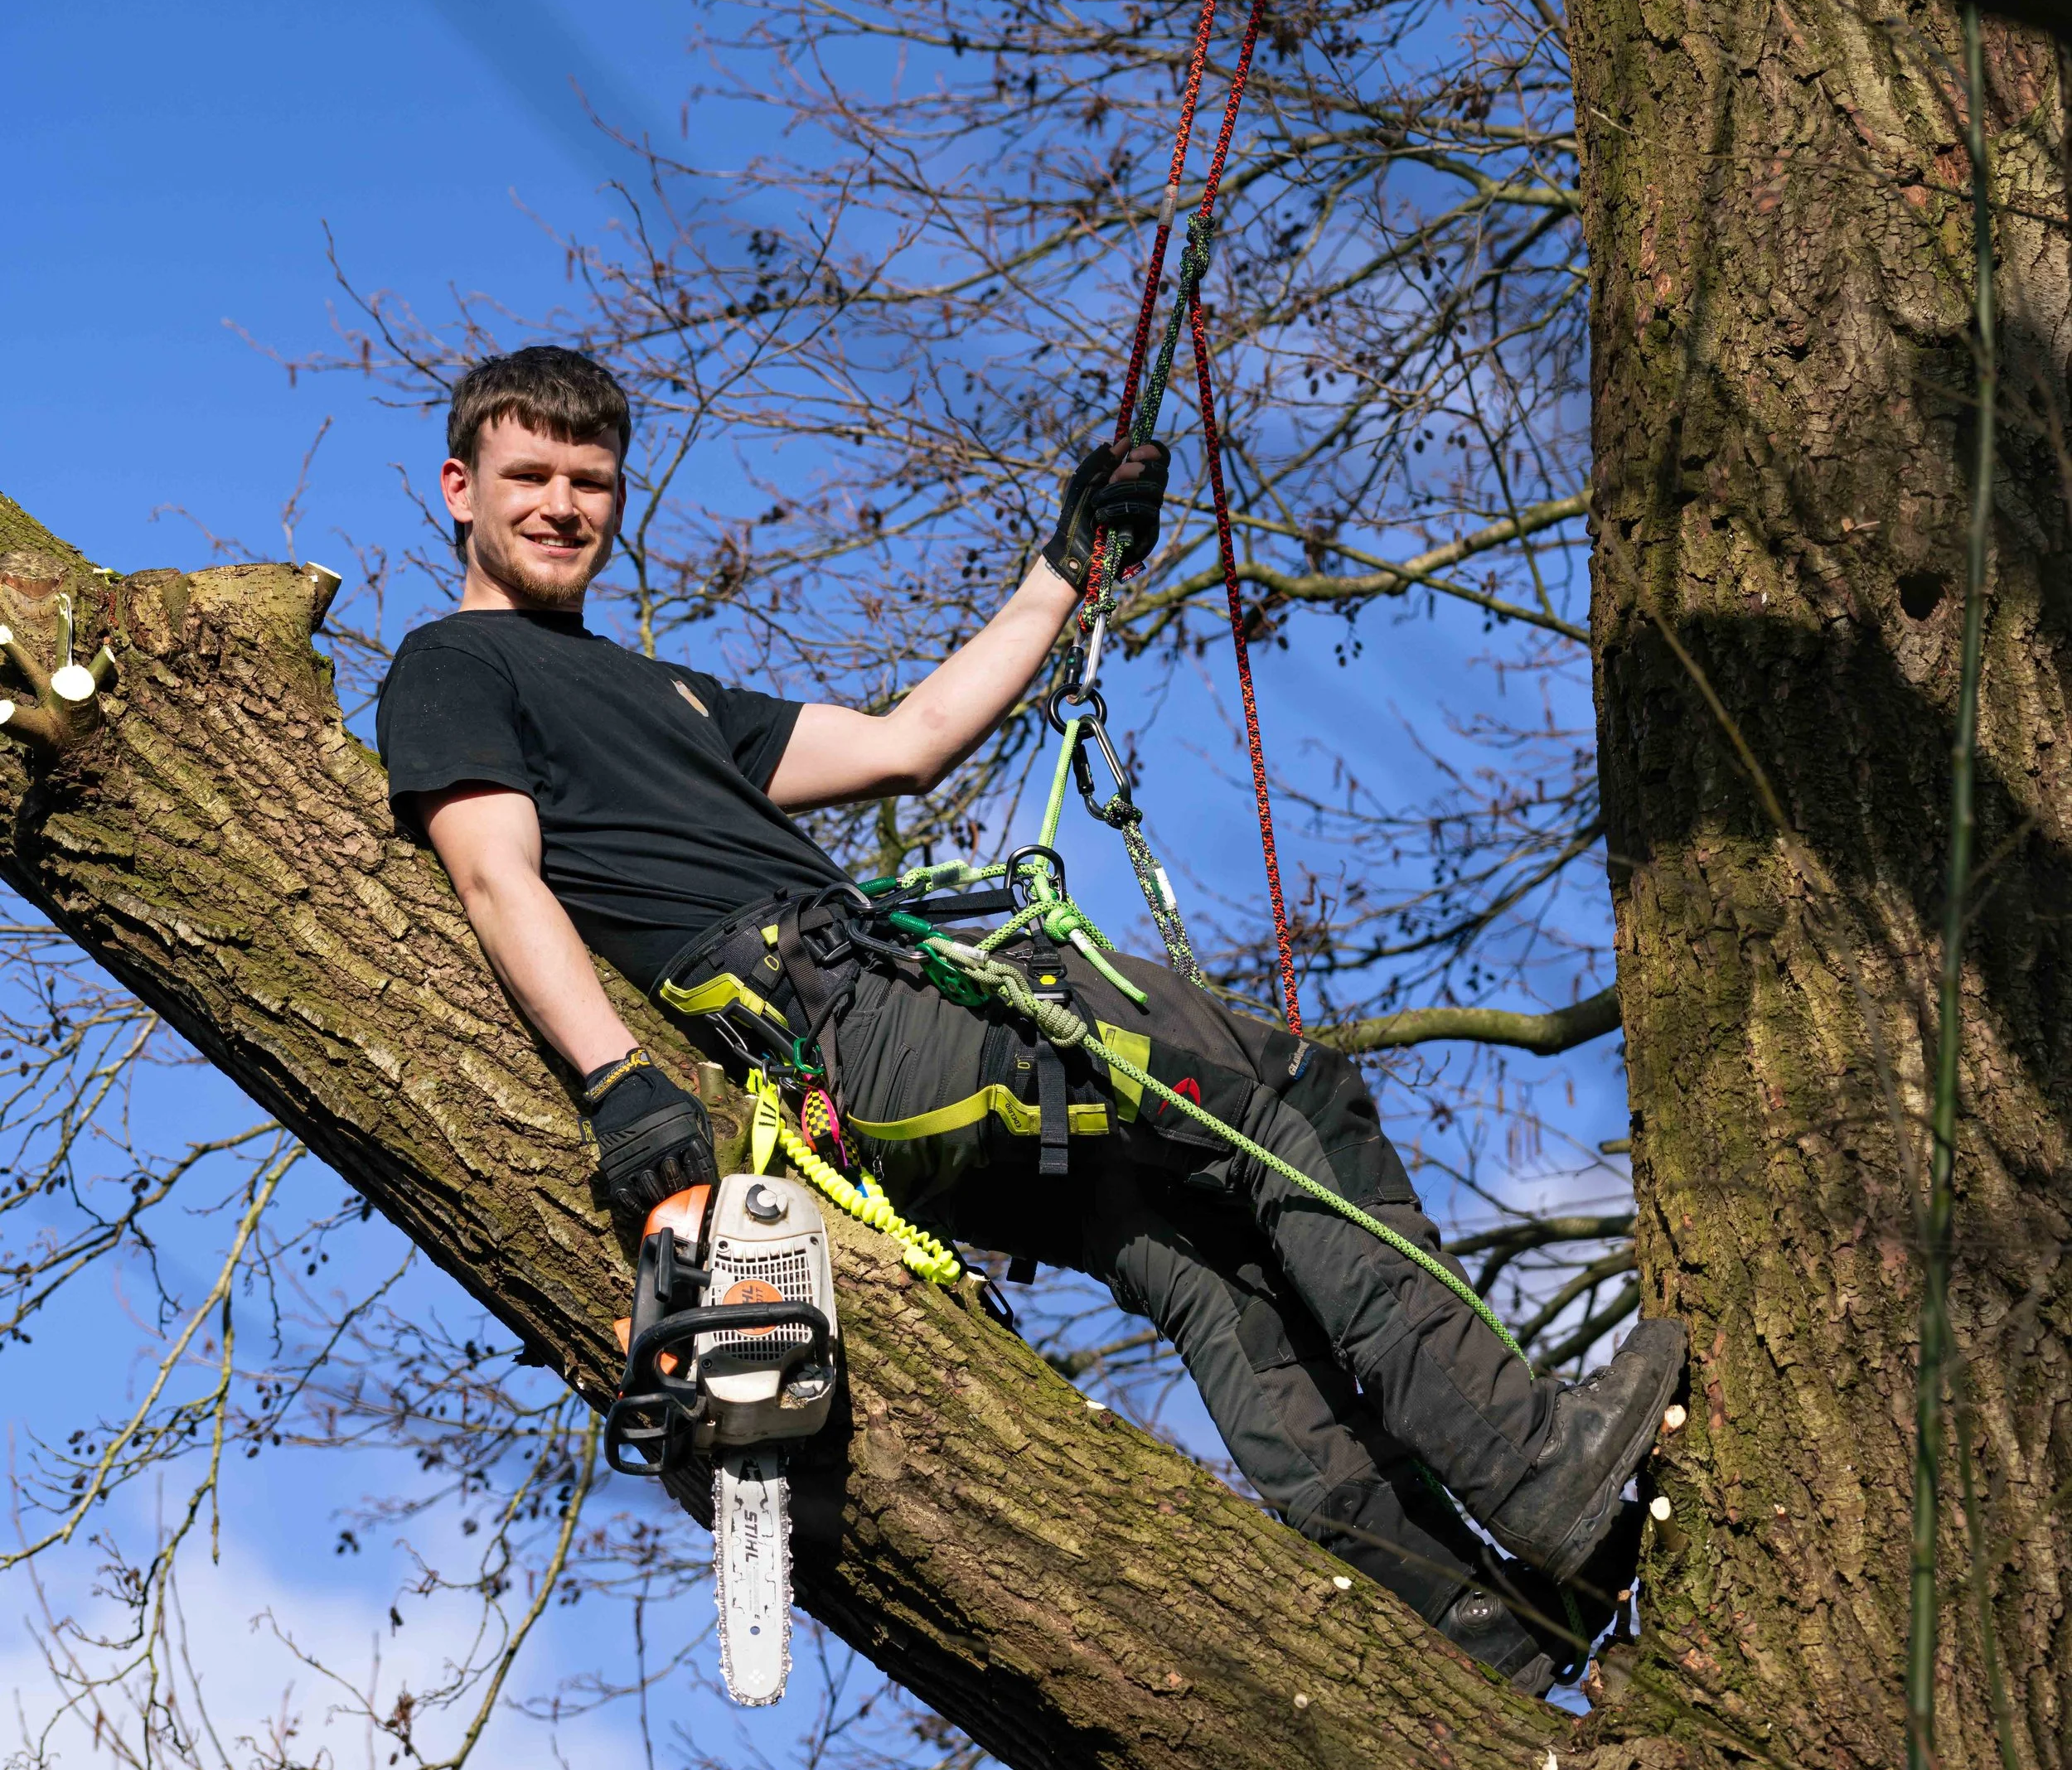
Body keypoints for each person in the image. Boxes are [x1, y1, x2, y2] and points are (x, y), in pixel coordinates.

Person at [378, 346, 1683, 1695]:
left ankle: (1479, 1633)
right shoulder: (451, 664)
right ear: (459, 489)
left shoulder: (674, 695)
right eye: (529, 475)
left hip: (878, 1025)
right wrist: (617, 1086)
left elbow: (907, 741)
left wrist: (1068, 562)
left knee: (1208, 1248)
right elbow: (493, 872)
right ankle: (1539, 1469)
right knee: (1279, 1091)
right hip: (849, 1021)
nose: (560, 504)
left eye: (589, 480)